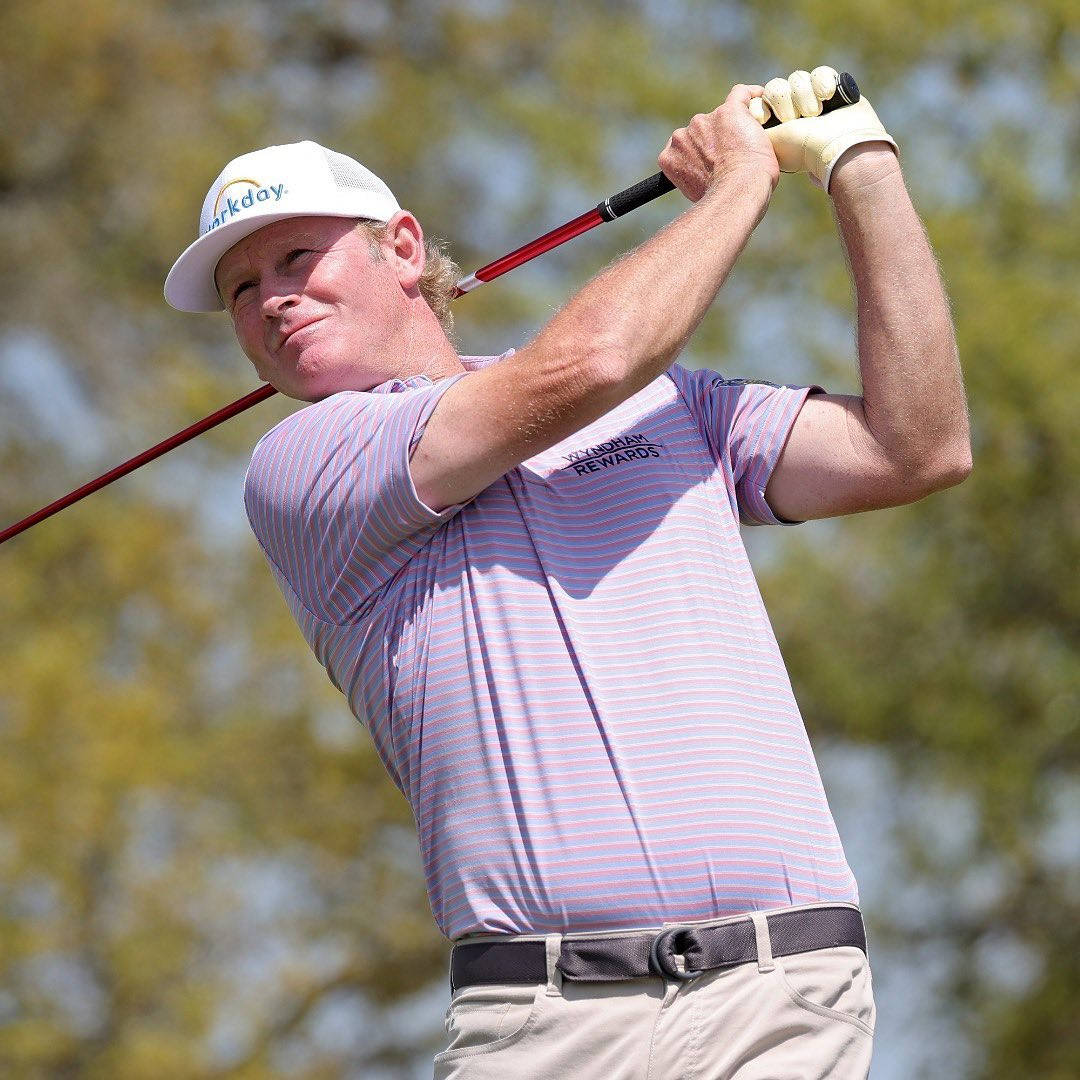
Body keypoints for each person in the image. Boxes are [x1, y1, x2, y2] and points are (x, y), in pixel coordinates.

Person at [165, 67, 970, 1080]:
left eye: (295, 257)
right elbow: (586, 366)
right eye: (243, 290)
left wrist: (861, 164)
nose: (274, 297)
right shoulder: (304, 468)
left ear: (403, 249)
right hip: (546, 1023)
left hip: (784, 994)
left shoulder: (671, 403)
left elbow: (919, 446)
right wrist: (740, 184)